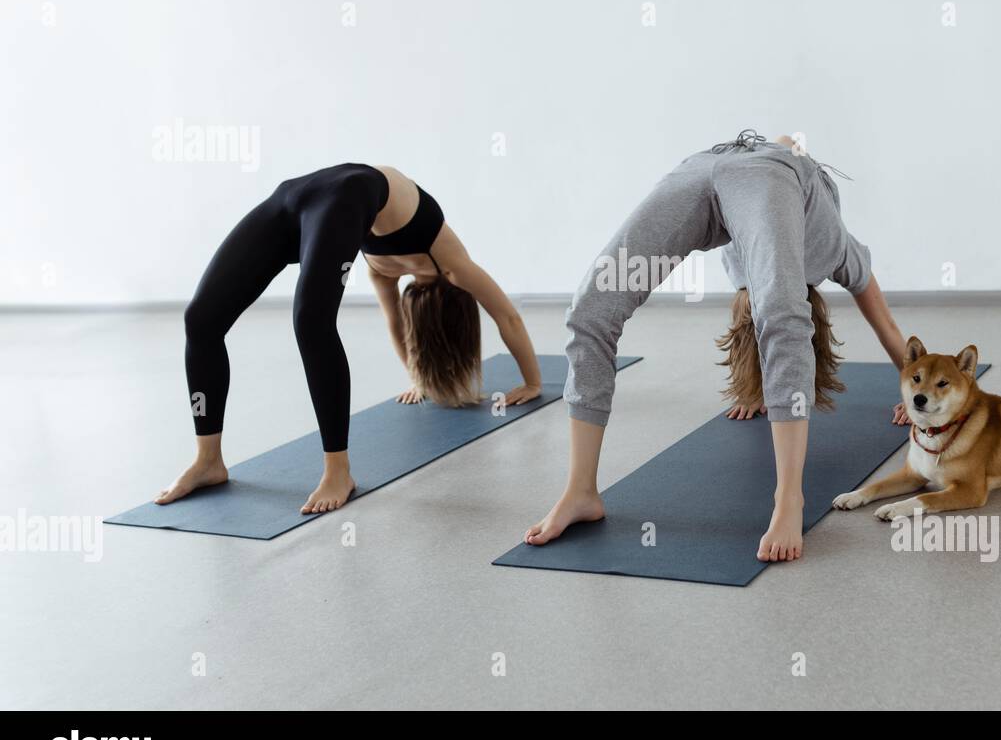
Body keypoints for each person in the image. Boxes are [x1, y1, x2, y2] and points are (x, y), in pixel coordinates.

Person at [525, 131, 908, 562]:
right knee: (591, 309)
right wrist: (907, 385)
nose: (748, 317)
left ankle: (788, 500)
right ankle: (580, 491)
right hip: (708, 164)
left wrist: (914, 395)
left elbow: (876, 327)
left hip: (744, 171)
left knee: (781, 315)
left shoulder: (835, 250)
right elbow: (888, 329)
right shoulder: (787, 241)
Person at [157, 163, 542, 513]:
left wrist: (531, 383)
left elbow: (405, 323)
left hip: (328, 196)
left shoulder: (437, 266)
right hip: (301, 194)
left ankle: (338, 471)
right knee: (201, 319)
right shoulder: (444, 264)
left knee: (311, 321)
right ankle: (208, 460)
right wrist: (527, 380)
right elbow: (502, 315)